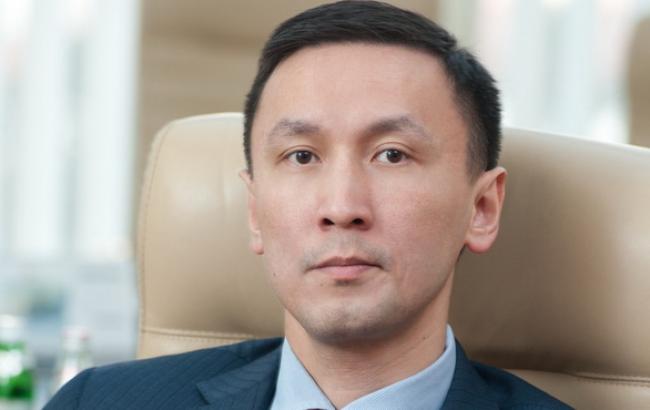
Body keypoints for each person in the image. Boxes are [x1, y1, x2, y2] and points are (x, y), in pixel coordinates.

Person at [46, 1, 571, 409]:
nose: (341, 207)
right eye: (301, 156)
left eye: (392, 154)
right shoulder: (97, 403)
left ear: (482, 209)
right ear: (255, 210)